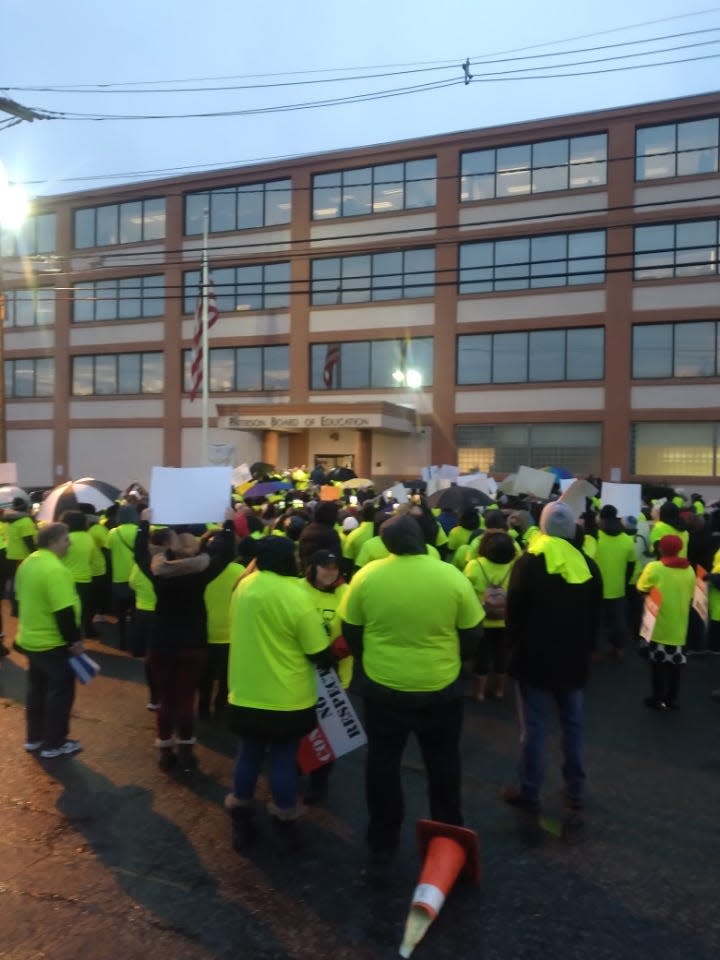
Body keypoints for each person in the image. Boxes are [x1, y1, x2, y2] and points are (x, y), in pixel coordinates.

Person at [339, 514, 483, 870]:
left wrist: (370, 657)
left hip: (384, 687)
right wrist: (454, 659)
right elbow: (472, 632)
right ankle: (447, 836)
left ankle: (383, 840)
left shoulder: (367, 576)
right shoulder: (451, 575)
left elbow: (351, 629)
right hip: (441, 687)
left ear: (386, 545)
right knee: (444, 763)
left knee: (383, 764)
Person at [225, 537, 332, 852]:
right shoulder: (296, 596)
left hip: (244, 694)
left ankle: (241, 820)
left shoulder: (243, 587)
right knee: (284, 760)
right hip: (288, 698)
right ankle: (285, 822)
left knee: (248, 756)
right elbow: (318, 652)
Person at [502, 502, 602, 817]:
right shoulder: (588, 565)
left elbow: (513, 615)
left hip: (534, 661)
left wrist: (512, 649)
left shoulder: (528, 564)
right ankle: (575, 791)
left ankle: (529, 791)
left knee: (534, 728)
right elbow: (594, 619)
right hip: (573, 662)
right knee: (573, 727)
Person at [134, 515, 236, 771]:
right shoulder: (202, 573)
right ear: (198, 551)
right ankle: (187, 751)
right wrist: (227, 524)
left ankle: (165, 751)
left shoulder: (159, 572)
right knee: (186, 699)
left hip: (161, 641)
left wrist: (143, 523)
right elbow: (225, 553)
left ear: (170, 550)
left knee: (166, 699)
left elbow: (139, 554)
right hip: (194, 643)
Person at [14, 522, 84, 759]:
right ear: (53, 541)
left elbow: (19, 600)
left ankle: (34, 738)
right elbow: (63, 612)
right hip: (53, 643)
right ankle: (54, 743)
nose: (70, 543)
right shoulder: (56, 570)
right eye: (66, 539)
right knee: (60, 693)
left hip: (31, 639)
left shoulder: (28, 563)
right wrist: (74, 642)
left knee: (36, 690)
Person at [299, 548, 350, 804]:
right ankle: (295, 771)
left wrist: (342, 647)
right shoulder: (297, 589)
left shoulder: (347, 593)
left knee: (328, 733)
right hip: (299, 672)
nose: (330, 573)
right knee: (298, 729)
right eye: (325, 567)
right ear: (313, 567)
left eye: (334, 568)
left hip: (334, 676)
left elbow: (358, 625)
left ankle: (319, 781)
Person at [636, 535, 696, 710]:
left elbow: (641, 588)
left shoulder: (654, 568)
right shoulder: (690, 570)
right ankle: (671, 699)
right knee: (676, 668)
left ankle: (657, 699)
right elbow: (691, 594)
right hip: (679, 628)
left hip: (658, 628)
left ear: (661, 549)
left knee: (657, 666)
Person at [464, 529, 516, 701]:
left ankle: (478, 692)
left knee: (482, 656)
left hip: (481, 619)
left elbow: (466, 590)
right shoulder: (514, 566)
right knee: (502, 656)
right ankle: (499, 690)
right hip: (506, 619)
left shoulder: (475, 565)